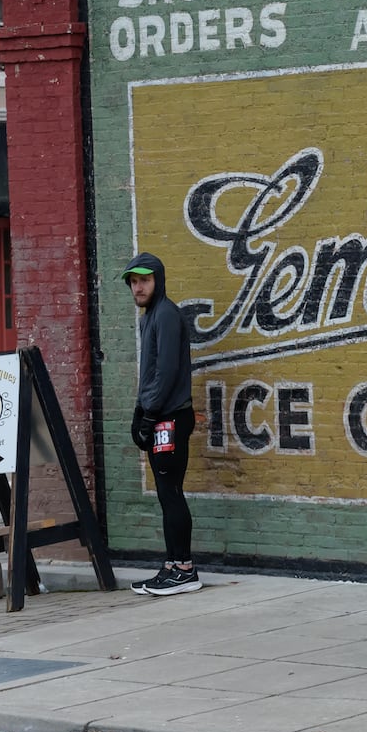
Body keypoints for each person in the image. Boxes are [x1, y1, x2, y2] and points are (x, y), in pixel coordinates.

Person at [125, 251, 201, 596]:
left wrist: (151, 413)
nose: (138, 287)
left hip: (170, 418)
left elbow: (167, 371)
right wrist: (140, 412)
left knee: (171, 493)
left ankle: (184, 569)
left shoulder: (167, 315)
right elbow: (151, 373)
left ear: (159, 280)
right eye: (133, 282)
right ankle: (172, 566)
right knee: (165, 494)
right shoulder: (151, 317)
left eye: (144, 280)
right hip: (159, 415)